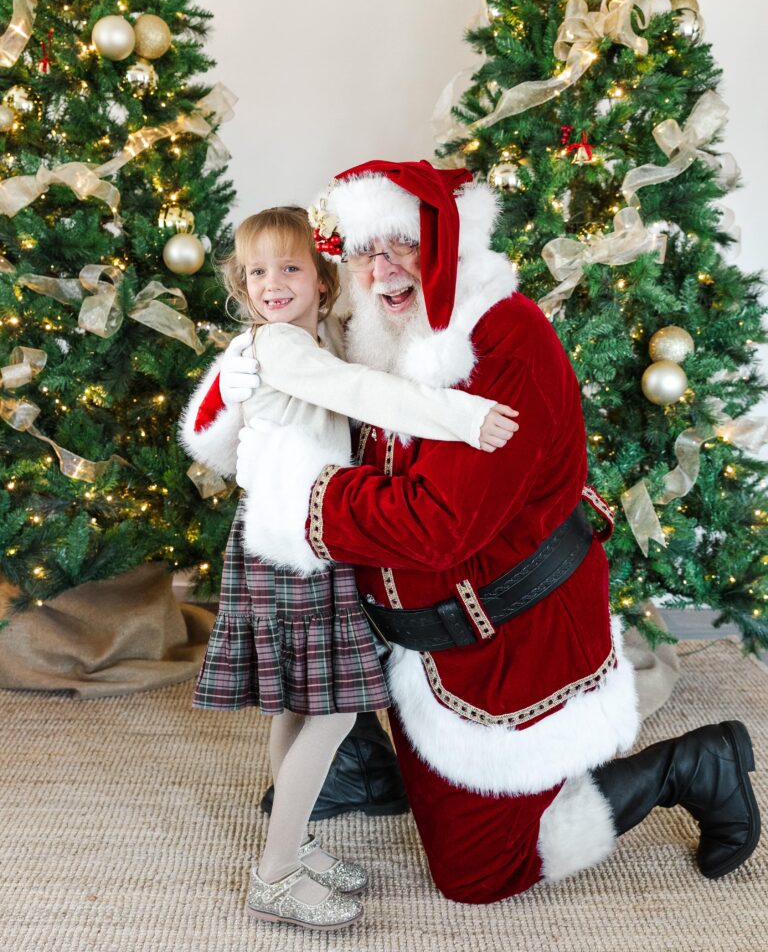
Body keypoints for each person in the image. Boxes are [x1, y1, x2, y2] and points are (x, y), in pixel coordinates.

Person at [186, 164, 760, 904]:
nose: (383, 268)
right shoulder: (366, 330)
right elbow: (272, 418)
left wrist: (297, 497)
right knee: (328, 714)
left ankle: (691, 766)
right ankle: (367, 760)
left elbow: (437, 528)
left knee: (480, 876)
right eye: (365, 252)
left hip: (503, 644)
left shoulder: (500, 337)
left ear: (446, 243)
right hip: (411, 646)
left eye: (403, 245)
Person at [179, 204, 519, 929]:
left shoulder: (315, 336)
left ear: (323, 279)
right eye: (258, 271)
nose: (273, 283)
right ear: (243, 282)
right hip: (292, 544)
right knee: (333, 710)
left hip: (303, 537)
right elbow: (363, 393)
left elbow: (362, 362)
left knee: (303, 704)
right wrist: (463, 417)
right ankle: (273, 874)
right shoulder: (281, 346)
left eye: (291, 267)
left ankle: (291, 842)